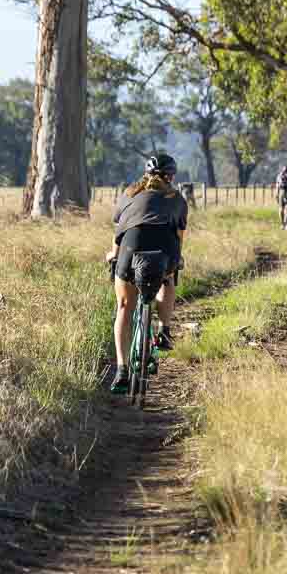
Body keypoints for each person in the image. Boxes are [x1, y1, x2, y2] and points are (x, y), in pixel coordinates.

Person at [105, 151, 187, 393]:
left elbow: (118, 234)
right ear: (171, 176)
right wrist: (176, 260)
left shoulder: (128, 195)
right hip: (165, 249)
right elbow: (179, 237)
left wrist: (112, 254)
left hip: (130, 247)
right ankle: (164, 330)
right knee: (168, 280)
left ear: (146, 173)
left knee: (124, 306)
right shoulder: (177, 199)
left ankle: (121, 369)